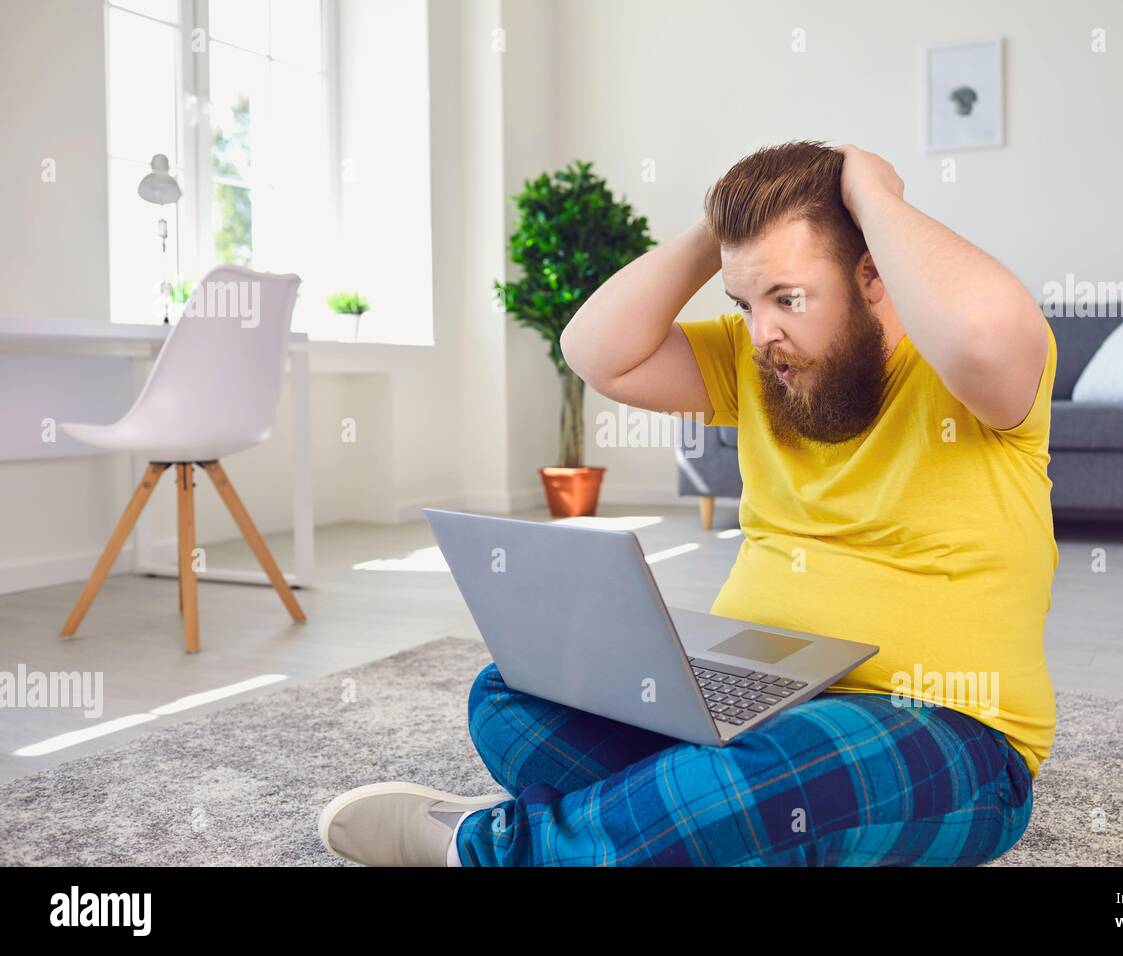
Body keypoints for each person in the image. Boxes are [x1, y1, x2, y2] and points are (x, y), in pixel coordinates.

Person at [319, 140, 1056, 867]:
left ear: (872, 275)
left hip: (947, 731)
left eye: (788, 298)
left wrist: (873, 196)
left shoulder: (973, 376)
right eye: (745, 302)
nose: (764, 332)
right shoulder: (757, 363)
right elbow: (596, 353)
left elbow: (985, 330)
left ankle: (490, 848)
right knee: (513, 693)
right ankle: (676, 828)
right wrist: (723, 230)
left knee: (773, 776)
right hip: (746, 711)